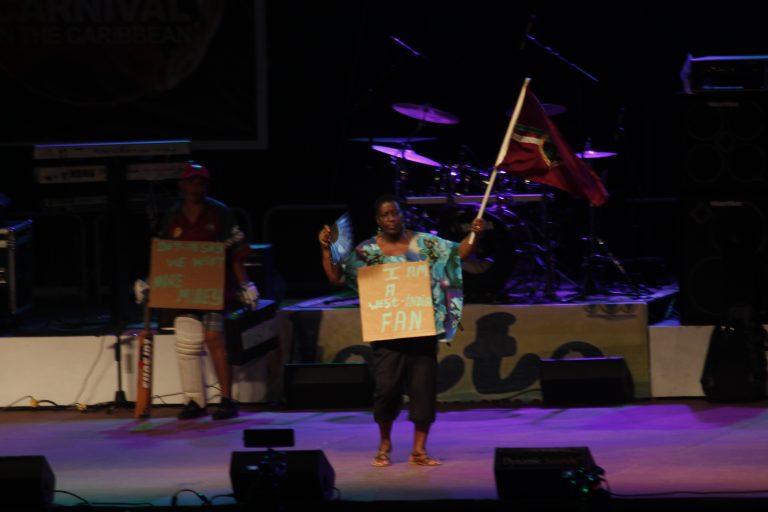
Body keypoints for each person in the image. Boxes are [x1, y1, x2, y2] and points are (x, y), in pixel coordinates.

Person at [318, 195, 484, 466]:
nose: (391, 218)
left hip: (421, 330)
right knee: (386, 391)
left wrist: (475, 234)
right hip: (387, 334)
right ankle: (384, 444)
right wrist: (327, 250)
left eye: (395, 213)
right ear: (378, 220)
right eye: (385, 215)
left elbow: (459, 253)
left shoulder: (424, 243)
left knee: (423, 391)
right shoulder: (367, 251)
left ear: (402, 215)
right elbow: (336, 277)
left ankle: (419, 450)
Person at [135, 162, 259, 420]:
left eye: (201, 182)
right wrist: (149, 281)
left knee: (214, 337)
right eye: (191, 181)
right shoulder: (171, 216)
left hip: (215, 292)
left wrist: (246, 284)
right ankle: (194, 401)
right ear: (182, 185)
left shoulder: (220, 213)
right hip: (183, 292)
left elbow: (236, 254)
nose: (196, 186)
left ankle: (227, 400)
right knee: (186, 343)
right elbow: (163, 256)